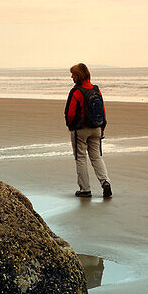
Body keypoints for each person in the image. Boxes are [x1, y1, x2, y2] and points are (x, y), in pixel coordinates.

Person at [64, 63, 111, 198]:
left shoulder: (76, 91)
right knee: (96, 157)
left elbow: (71, 113)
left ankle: (85, 189)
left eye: (73, 74)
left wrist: (70, 126)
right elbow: (103, 110)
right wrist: (102, 127)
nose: (72, 77)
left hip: (80, 129)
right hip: (97, 128)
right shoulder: (96, 89)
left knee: (81, 158)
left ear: (78, 75)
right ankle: (105, 182)